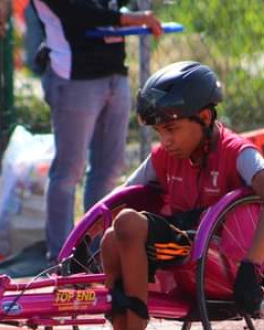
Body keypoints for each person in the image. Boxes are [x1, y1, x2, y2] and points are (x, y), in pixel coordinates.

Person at [62, 61, 264, 330]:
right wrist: (83, 240)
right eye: (159, 131)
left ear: (206, 118)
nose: (165, 140)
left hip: (221, 261)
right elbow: (116, 199)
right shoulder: (164, 158)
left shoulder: (237, 152)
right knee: (112, 236)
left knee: (126, 223)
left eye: (172, 129)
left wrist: (250, 266)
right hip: (182, 251)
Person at [30, 0, 164, 262]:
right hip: (74, 76)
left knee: (109, 168)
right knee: (69, 170)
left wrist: (132, 15)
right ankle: (62, 257)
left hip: (114, 73)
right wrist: (131, 19)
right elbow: (78, 14)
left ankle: (93, 253)